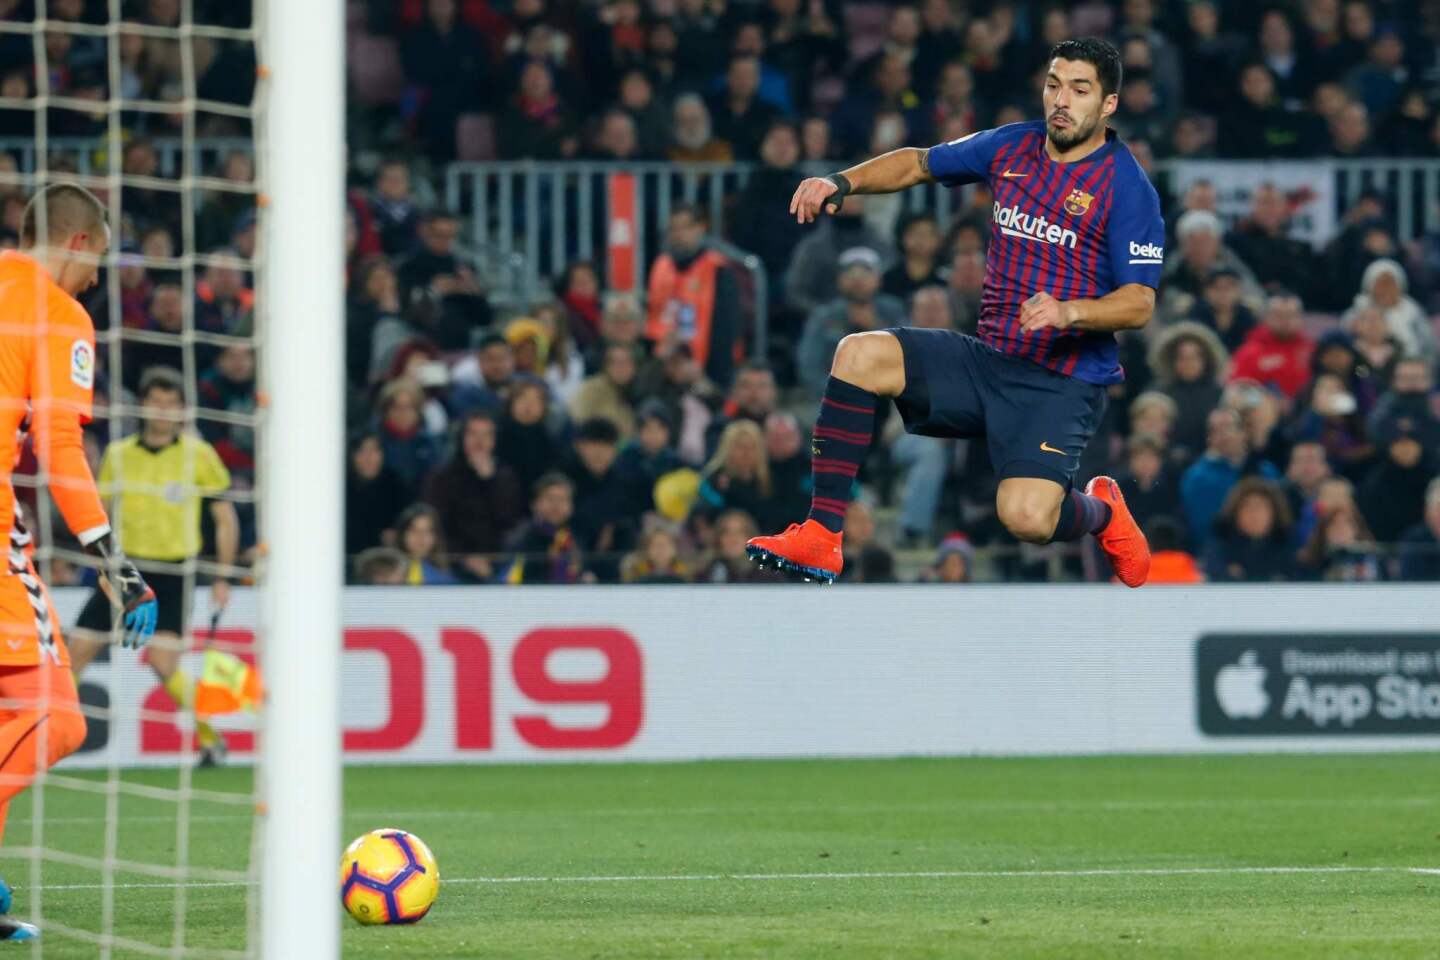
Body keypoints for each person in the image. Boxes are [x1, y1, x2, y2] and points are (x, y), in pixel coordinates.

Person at [747, 38, 1163, 587]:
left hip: (1059, 385)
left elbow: (1140, 303)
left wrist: (1068, 312)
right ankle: (822, 536)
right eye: (1053, 85)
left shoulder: (1127, 187)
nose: (1061, 100)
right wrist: (840, 182)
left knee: (1027, 517)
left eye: (1080, 90)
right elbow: (919, 163)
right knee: (858, 352)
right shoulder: (1013, 146)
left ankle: (1103, 511)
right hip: (988, 361)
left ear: (1107, 104)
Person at [0, 184, 159, 940]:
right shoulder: (61, 316)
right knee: (56, 716)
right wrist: (116, 567)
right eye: (101, 256)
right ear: (81, 243)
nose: (98, 277)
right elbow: (60, 449)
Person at [69, 366, 240, 766]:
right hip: (125, 571)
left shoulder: (199, 455)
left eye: (171, 403)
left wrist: (222, 576)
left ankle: (211, 739)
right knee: (76, 652)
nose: (162, 410)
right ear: (143, 406)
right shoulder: (118, 454)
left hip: (174, 572)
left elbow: (225, 518)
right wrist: (101, 563)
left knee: (164, 663)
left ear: (181, 410)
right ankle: (48, 738)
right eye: (155, 402)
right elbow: (101, 512)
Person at [645, 204, 741, 387]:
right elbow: (654, 316)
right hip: (664, 368)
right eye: (673, 228)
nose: (679, 235)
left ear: (700, 228)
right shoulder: (661, 267)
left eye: (685, 227)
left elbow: (725, 328)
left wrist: (712, 374)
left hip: (706, 371)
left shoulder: (718, 270)